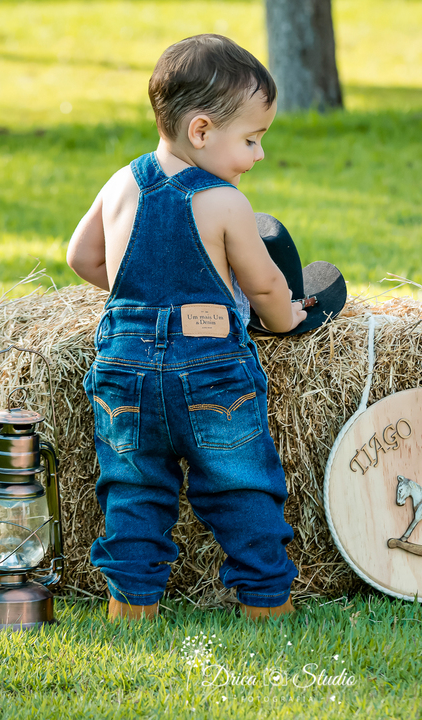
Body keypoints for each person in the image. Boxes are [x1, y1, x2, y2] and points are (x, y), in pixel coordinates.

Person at [66, 34, 304, 622]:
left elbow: (81, 257)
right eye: (251, 140)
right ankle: (266, 602)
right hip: (211, 373)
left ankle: (132, 605)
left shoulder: (121, 182)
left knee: (133, 488)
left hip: (125, 369)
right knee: (240, 483)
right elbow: (266, 286)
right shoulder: (225, 203)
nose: (258, 155)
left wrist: (139, 300)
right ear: (202, 132)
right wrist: (289, 318)